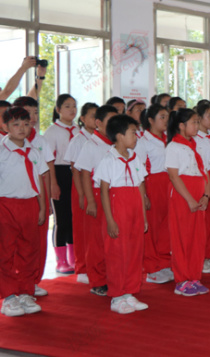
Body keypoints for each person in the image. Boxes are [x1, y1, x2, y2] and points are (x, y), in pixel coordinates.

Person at [96, 114, 149, 314]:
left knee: (135, 251)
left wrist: (143, 216)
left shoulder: (136, 158)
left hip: (135, 207)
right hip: (118, 208)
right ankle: (117, 295)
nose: (136, 137)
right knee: (117, 253)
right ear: (119, 136)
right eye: (133, 133)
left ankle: (130, 291)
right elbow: (104, 191)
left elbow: (141, 186)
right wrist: (110, 220)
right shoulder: (108, 160)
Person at [0, 107, 48, 317]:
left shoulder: (34, 152)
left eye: (26, 124)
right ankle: (9, 297)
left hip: (30, 205)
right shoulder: (1, 151)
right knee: (5, 252)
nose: (22, 128)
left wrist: (42, 207)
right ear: (5, 127)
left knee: (29, 250)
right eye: (16, 124)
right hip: (6, 205)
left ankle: (25, 292)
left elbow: (39, 181)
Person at [74, 104, 119, 297]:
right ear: (98, 123)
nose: (114, 124)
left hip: (114, 195)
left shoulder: (116, 144)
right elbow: (84, 174)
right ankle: (97, 280)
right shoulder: (90, 144)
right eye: (110, 121)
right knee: (96, 241)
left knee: (112, 238)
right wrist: (90, 200)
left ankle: (112, 276)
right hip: (96, 194)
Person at [13, 97, 56, 297]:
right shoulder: (7, 143)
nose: (32, 117)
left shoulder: (40, 140)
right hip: (15, 198)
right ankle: (17, 282)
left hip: (38, 194)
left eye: (35, 113)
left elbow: (47, 169)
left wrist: (50, 195)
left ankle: (33, 279)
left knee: (37, 240)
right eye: (26, 112)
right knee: (16, 242)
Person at [166, 109, 210, 296]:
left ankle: (194, 276)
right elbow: (174, 176)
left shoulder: (196, 145)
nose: (197, 126)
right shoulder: (173, 147)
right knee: (182, 237)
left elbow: (205, 172)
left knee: (197, 238)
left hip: (198, 192)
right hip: (183, 195)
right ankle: (182, 279)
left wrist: (206, 195)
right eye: (194, 122)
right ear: (181, 126)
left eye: (198, 122)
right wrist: (190, 199)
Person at [42, 94, 79, 275]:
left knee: (74, 217)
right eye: (67, 106)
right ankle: (61, 260)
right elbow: (48, 160)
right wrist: (53, 184)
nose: (72, 109)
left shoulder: (78, 130)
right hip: (59, 173)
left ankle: (73, 258)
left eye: (74, 106)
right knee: (61, 219)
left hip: (75, 174)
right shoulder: (52, 131)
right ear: (58, 110)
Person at [63, 102, 98, 283]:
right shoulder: (78, 140)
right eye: (92, 116)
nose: (96, 119)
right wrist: (81, 194)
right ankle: (82, 267)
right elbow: (75, 170)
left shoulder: (100, 139)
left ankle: (95, 265)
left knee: (95, 229)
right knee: (81, 228)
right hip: (82, 188)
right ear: (83, 119)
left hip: (97, 187)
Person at [139, 104, 174, 284]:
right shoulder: (143, 141)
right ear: (151, 120)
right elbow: (139, 170)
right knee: (152, 227)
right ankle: (151, 268)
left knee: (166, 226)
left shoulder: (169, 139)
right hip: (152, 183)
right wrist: (144, 194)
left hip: (168, 182)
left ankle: (165, 262)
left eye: (167, 116)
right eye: (162, 117)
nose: (166, 120)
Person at [194, 101, 210, 274]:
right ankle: (200, 257)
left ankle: (209, 255)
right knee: (203, 221)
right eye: (209, 116)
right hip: (204, 178)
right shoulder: (196, 139)